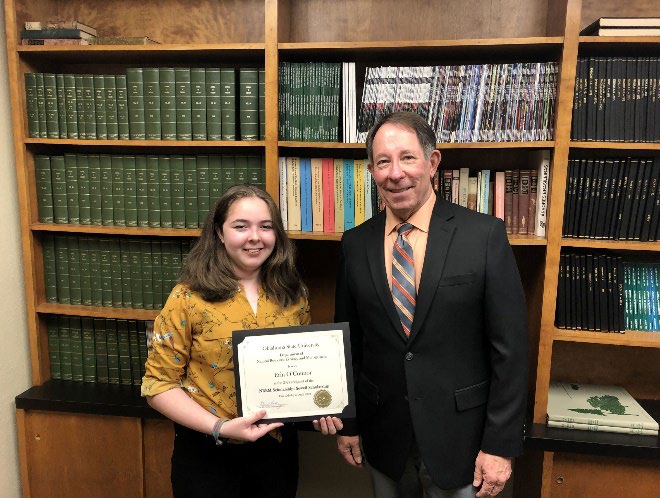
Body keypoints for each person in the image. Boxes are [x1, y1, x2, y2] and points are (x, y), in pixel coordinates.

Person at [332, 112, 529, 498]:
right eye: (383, 161)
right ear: (371, 170)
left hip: (464, 443)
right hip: (384, 436)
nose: (395, 173)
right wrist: (348, 423)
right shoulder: (355, 244)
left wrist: (500, 446)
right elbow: (348, 344)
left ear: (433, 162)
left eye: (407, 158)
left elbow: (511, 351)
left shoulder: (483, 235)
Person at [142, 184, 334, 497]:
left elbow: (300, 374)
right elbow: (158, 386)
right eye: (241, 226)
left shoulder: (293, 295)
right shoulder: (187, 298)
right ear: (219, 232)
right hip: (207, 455)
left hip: (276, 455)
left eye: (266, 226)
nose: (255, 237)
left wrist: (320, 407)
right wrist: (220, 428)